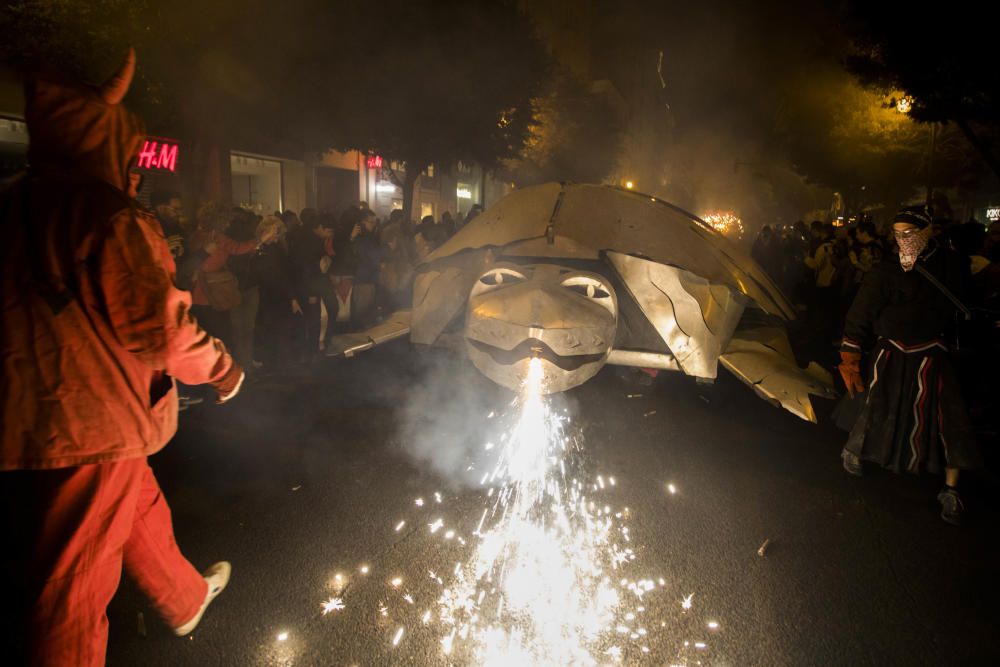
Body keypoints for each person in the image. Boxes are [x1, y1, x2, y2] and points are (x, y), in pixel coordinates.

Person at [0, 50, 243, 666]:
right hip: (87, 419)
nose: (136, 169)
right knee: (70, 590)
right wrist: (220, 367)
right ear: (104, 136)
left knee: (136, 503)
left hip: (31, 412)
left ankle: (184, 598)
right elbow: (159, 327)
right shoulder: (106, 214)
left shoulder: (12, 201)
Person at [838, 206, 980, 525]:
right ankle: (855, 450)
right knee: (875, 404)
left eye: (910, 233)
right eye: (898, 233)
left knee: (949, 422)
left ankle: (951, 489)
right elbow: (861, 313)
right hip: (892, 351)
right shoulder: (886, 271)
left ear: (927, 233)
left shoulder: (951, 266)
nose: (903, 240)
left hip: (934, 354)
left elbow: (963, 308)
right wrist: (850, 355)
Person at [254, 216, 301, 369]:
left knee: (281, 332)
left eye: (278, 232)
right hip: (266, 296)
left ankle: (281, 366)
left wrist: (292, 297)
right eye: (274, 232)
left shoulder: (278, 249)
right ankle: (273, 365)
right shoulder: (258, 249)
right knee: (270, 331)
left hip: (279, 296)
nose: (276, 235)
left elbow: (285, 274)